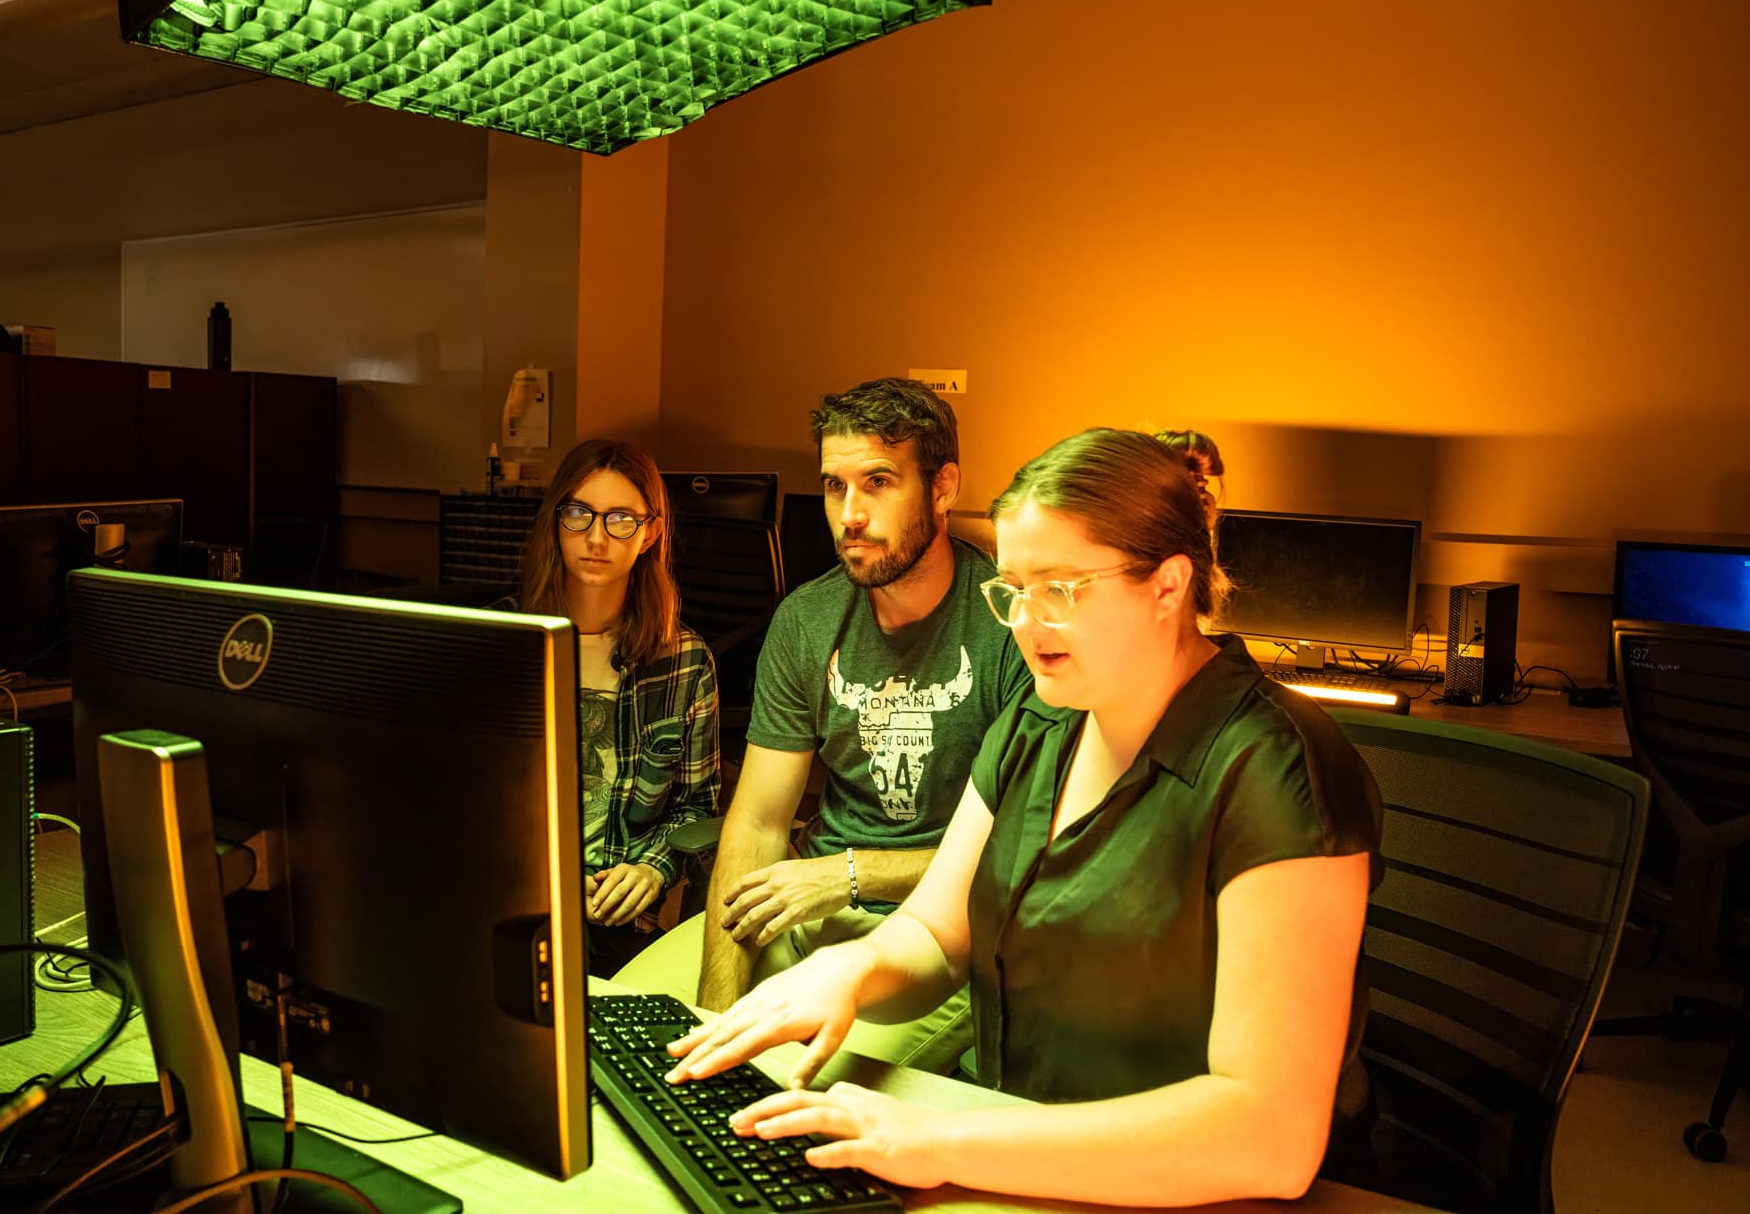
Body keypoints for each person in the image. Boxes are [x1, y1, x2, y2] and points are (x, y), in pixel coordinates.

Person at [665, 427, 1383, 1206]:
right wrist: (849, 971)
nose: (1026, 623)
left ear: (1169, 586)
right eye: (1011, 590)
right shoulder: (1041, 722)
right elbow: (938, 933)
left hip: (1198, 1190)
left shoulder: (1278, 770)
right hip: (1023, 1151)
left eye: (1060, 589)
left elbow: (1267, 1135)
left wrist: (937, 1141)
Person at [617, 378, 1031, 1073]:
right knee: (628, 1038)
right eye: (835, 487)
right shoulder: (807, 620)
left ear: (943, 485)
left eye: (877, 482)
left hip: (935, 935)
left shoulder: (1007, 628)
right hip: (801, 907)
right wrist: (714, 1013)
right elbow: (755, 826)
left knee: (789, 1086)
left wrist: (846, 874)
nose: (851, 513)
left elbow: (1017, 862)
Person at [515, 438, 720, 977]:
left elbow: (698, 807)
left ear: (649, 532)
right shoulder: (509, 643)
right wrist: (545, 874)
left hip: (616, 917)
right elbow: (462, 805)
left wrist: (653, 871)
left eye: (620, 519)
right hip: (522, 904)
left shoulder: (685, 661)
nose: (596, 537)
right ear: (556, 521)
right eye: (579, 514)